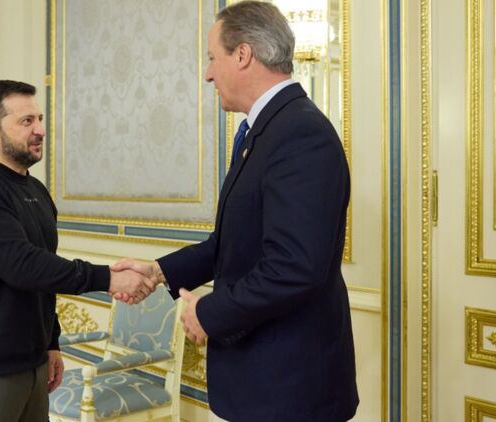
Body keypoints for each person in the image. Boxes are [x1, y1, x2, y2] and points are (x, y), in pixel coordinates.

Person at [112, 2, 359, 420]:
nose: (208, 74)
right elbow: (229, 243)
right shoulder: (264, 130)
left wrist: (207, 312)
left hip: (290, 388)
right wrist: (157, 272)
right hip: (263, 381)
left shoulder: (300, 133)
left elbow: (294, 266)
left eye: (213, 58)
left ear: (243, 54)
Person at [0, 80, 154, 422]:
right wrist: (109, 278)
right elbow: (21, 265)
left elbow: (43, 273)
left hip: (33, 361)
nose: (40, 130)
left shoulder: (36, 190)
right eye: (26, 121)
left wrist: (51, 342)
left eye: (39, 119)